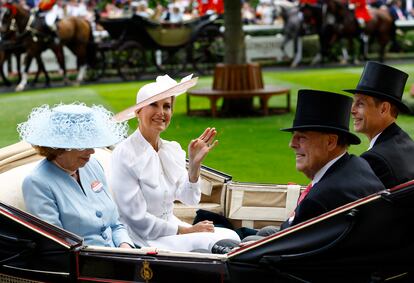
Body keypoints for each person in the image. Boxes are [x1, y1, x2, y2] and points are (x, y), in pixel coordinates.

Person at [110, 74, 241, 252]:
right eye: (153, 104)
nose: (161, 112)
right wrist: (187, 230)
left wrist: (194, 166)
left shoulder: (171, 149)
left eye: (167, 106)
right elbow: (136, 219)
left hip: (173, 229)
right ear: (138, 111)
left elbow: (189, 199)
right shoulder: (124, 153)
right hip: (143, 237)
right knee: (213, 245)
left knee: (230, 236)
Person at [241, 89, 386, 242]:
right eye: (293, 136)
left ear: (330, 142)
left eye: (301, 137)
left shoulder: (318, 200)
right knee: (264, 232)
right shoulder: (357, 165)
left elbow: (289, 252)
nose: (292, 144)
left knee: (239, 243)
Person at [19, 103, 134, 248]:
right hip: (83, 264)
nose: (92, 151)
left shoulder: (93, 165)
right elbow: (57, 245)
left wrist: (125, 246)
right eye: (83, 144)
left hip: (119, 254)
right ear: (59, 147)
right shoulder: (37, 182)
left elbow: (115, 224)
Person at [345, 61, 414, 189]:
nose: (352, 110)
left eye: (360, 104)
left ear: (384, 109)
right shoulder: (408, 143)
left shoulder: (375, 160)